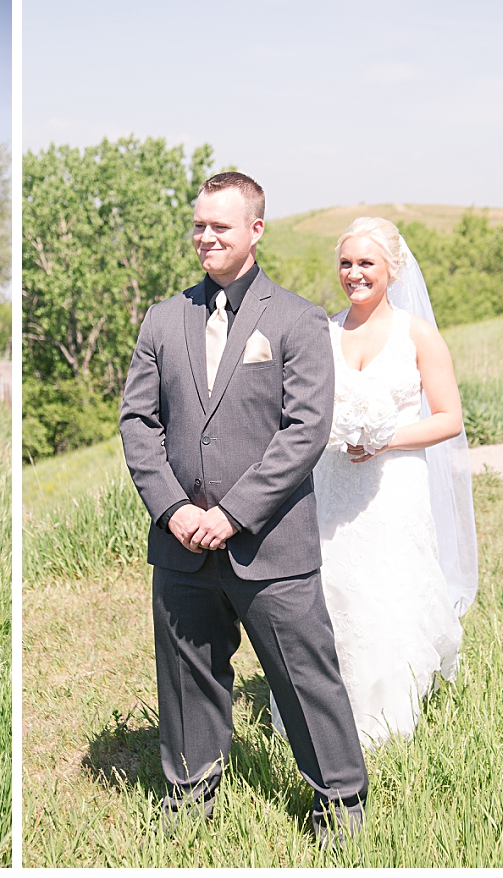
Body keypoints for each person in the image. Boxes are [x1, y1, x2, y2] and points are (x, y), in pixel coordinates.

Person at [119, 172, 368, 846]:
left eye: (219, 226)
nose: (205, 236)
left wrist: (229, 514)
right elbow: (137, 421)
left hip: (269, 542)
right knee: (185, 674)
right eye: (198, 224)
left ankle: (339, 800)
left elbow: (304, 429)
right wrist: (172, 508)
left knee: (302, 673)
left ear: (255, 230)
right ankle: (189, 792)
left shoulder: (294, 319)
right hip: (179, 543)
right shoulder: (161, 318)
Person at [269, 217, 475, 749]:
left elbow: (449, 418)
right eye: (346, 263)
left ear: (392, 269)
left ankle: (386, 718)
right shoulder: (323, 331)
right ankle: (319, 713)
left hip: (392, 484)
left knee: (386, 590)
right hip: (332, 484)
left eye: (366, 263)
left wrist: (384, 439)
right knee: (329, 591)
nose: (354, 273)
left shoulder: (418, 334)